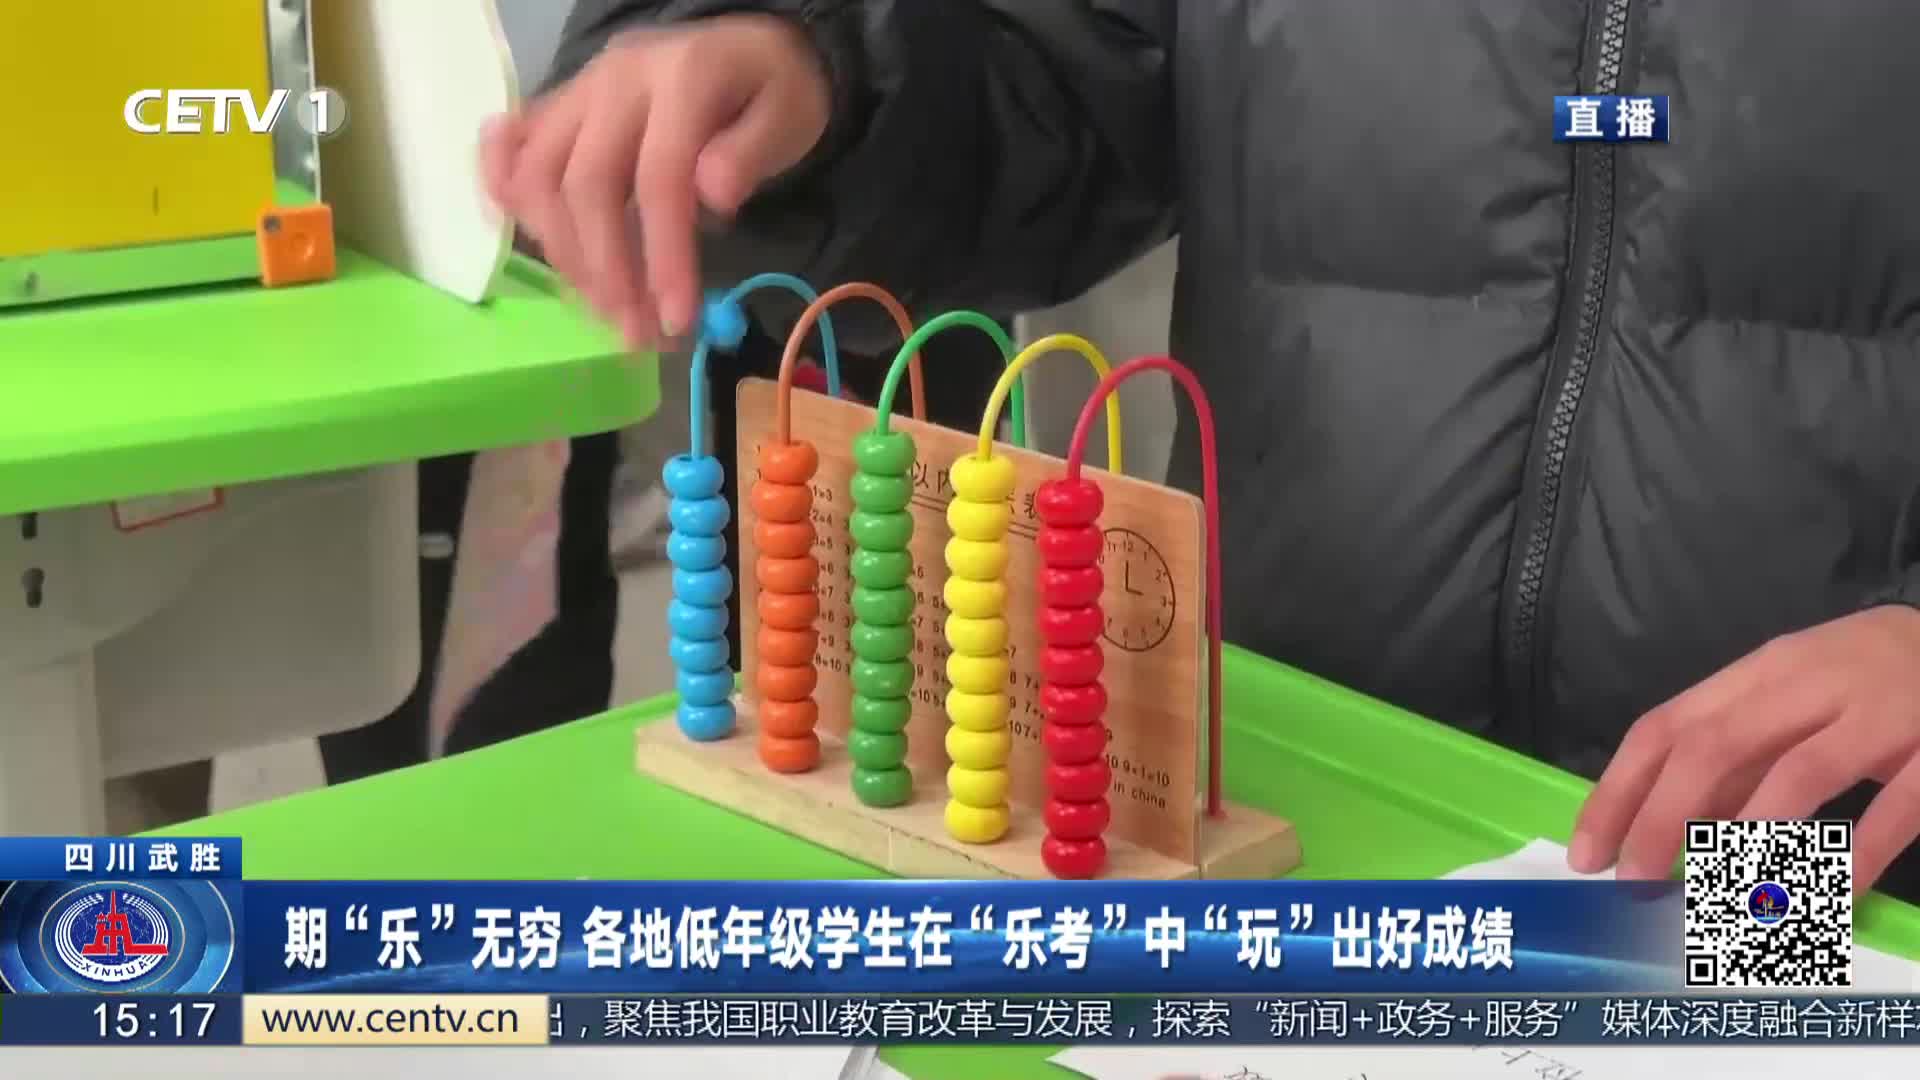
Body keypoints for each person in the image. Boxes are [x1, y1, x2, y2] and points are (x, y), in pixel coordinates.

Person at [482, 3, 1920, 897]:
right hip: (1281, 771)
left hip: (1783, 838)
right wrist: (822, 66)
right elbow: (1067, 73)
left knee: (1706, 1023)